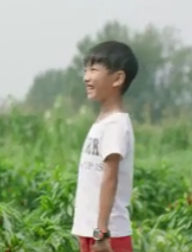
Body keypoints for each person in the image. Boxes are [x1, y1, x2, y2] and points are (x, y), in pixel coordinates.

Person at [71, 41, 139, 252]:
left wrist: (101, 233)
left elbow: (109, 179)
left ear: (118, 78)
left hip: (108, 236)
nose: (86, 77)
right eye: (85, 70)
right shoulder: (103, 122)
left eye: (94, 70)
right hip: (93, 232)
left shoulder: (115, 125)